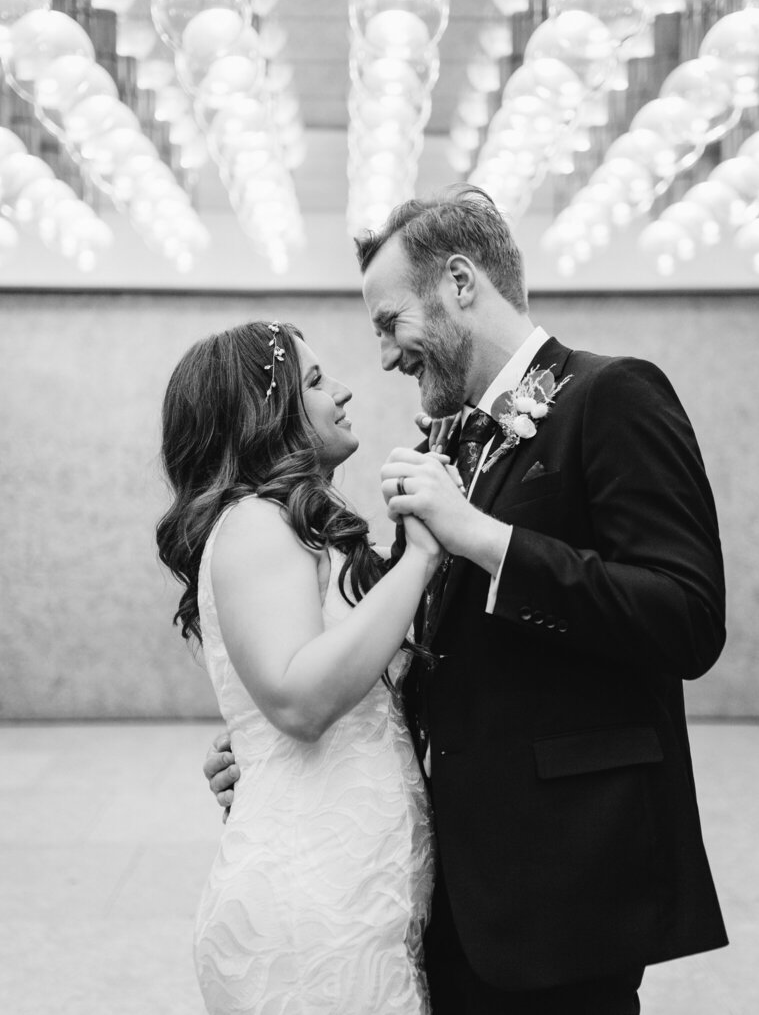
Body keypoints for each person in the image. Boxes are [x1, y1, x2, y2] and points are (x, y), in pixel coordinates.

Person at [205, 185, 729, 1013]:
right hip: (452, 890)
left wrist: (484, 537)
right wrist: (293, 764)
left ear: (459, 283)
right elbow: (437, 658)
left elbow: (687, 617)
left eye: (389, 323)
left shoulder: (614, 396)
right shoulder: (443, 443)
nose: (383, 357)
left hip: (566, 883)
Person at [157, 322, 462, 1014]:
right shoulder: (255, 525)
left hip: (355, 896)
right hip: (311, 913)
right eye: (318, 381)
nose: (344, 390)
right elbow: (298, 702)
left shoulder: (292, 526)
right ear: (265, 415)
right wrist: (417, 560)